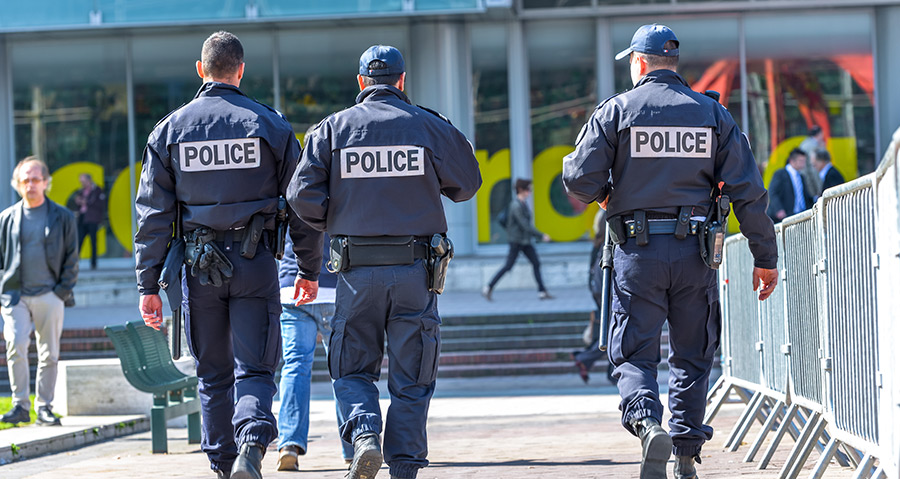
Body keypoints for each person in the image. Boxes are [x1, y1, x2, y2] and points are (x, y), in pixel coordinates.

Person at [562, 24, 779, 479]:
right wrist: (765, 257)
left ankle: (647, 425)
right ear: (673, 63)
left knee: (634, 353)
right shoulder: (713, 114)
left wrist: (605, 195)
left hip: (636, 254)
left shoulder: (617, 111)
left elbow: (578, 178)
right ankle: (684, 456)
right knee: (693, 355)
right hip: (695, 254)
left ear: (638, 63)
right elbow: (748, 190)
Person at [287, 45, 481, 479]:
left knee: (352, 368)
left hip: (355, 272)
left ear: (361, 82)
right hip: (415, 271)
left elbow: (300, 195)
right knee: (413, 374)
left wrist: (336, 220)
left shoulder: (332, 129)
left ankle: (364, 435)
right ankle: (404, 468)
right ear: (402, 80)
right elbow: (468, 184)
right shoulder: (429, 125)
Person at [134, 31, 322, 479]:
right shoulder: (272, 127)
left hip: (199, 268)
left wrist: (148, 284)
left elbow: (153, 215)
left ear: (201, 69)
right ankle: (251, 446)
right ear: (241, 71)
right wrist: (309, 268)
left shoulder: (169, 130)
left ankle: (223, 464)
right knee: (255, 367)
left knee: (213, 373)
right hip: (256, 263)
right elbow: (303, 204)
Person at [0, 157, 79, 427]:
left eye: (35, 179)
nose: (30, 184)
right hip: (16, 296)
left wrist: (61, 291)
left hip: (50, 294)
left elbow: (72, 257)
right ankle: (20, 406)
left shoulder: (63, 216)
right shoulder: (7, 218)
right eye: (25, 180)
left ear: (46, 182)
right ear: (17, 184)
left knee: (49, 353)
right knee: (15, 345)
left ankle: (44, 406)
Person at [276, 232, 353, 471]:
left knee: (295, 366)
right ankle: (354, 445)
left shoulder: (290, 202)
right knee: (342, 368)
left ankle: (289, 444)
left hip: (293, 286)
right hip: (334, 285)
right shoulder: (340, 202)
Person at [482, 178, 553, 301]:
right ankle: (488, 287)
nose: (530, 192)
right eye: (528, 189)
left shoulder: (523, 204)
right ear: (521, 190)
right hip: (516, 241)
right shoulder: (516, 205)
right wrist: (541, 235)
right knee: (508, 266)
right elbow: (524, 225)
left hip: (524, 241)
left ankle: (542, 291)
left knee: (536, 263)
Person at [767, 148, 813, 222]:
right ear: (792, 161)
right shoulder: (780, 174)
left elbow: (805, 196)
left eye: (804, 161)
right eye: (801, 161)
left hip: (801, 215)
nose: (803, 164)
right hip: (785, 215)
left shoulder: (801, 177)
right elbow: (772, 193)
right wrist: (778, 209)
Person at [73, 173, 106, 270]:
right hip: (82, 218)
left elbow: (100, 205)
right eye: (81, 182)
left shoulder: (97, 190)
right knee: (79, 241)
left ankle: (93, 264)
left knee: (93, 242)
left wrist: (86, 202)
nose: (82, 184)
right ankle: (74, 263)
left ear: (89, 180)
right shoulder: (81, 191)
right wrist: (78, 201)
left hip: (92, 219)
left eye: (83, 181)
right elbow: (78, 204)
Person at [798, 125, 826, 197]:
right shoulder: (814, 147)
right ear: (820, 134)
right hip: (810, 182)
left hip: (803, 179)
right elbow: (813, 169)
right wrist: (818, 189)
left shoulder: (804, 143)